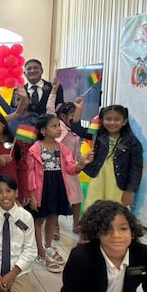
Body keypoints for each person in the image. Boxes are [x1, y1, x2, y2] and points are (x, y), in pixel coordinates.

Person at [27, 114, 94, 273]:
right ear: (43, 130)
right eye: (54, 126)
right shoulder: (34, 149)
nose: (58, 129)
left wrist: (82, 163)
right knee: (39, 220)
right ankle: (40, 252)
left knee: (53, 217)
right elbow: (30, 174)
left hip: (57, 185)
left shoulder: (62, 148)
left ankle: (48, 246)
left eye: (59, 125)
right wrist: (32, 195)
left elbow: (71, 169)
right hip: (42, 187)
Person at [83, 105, 144, 209]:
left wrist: (130, 191)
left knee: (116, 211)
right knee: (94, 209)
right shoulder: (98, 136)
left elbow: (136, 169)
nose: (112, 123)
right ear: (102, 121)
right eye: (108, 119)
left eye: (117, 119)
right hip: (99, 179)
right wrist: (79, 108)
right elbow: (76, 128)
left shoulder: (132, 143)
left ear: (124, 121)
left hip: (118, 183)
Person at [54, 99, 93, 235]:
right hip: (58, 168)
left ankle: (76, 224)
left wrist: (79, 163)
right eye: (72, 114)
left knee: (77, 198)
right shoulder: (59, 130)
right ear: (63, 117)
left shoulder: (75, 132)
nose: (75, 117)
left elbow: (76, 152)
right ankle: (55, 226)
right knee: (58, 198)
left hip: (73, 168)